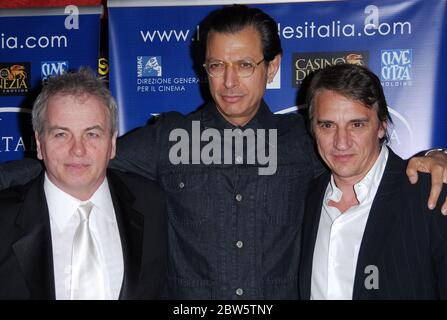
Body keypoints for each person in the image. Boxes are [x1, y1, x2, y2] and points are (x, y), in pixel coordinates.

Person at [0, 5, 446, 300]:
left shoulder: (307, 139)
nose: (230, 82)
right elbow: (76, 162)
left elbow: (372, 158)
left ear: (272, 67)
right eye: (217, 65)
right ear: (205, 69)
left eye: (245, 65)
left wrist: (434, 156)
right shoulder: (167, 138)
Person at [0, 69, 167, 300]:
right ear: (39, 143)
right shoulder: (4, 221)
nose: (77, 150)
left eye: (92, 134)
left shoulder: (154, 204)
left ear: (112, 143)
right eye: (61, 134)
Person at [299, 64, 447, 300]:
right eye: (327, 125)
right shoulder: (306, 197)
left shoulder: (430, 194)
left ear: (382, 126)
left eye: (357, 124)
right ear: (312, 129)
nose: (341, 142)